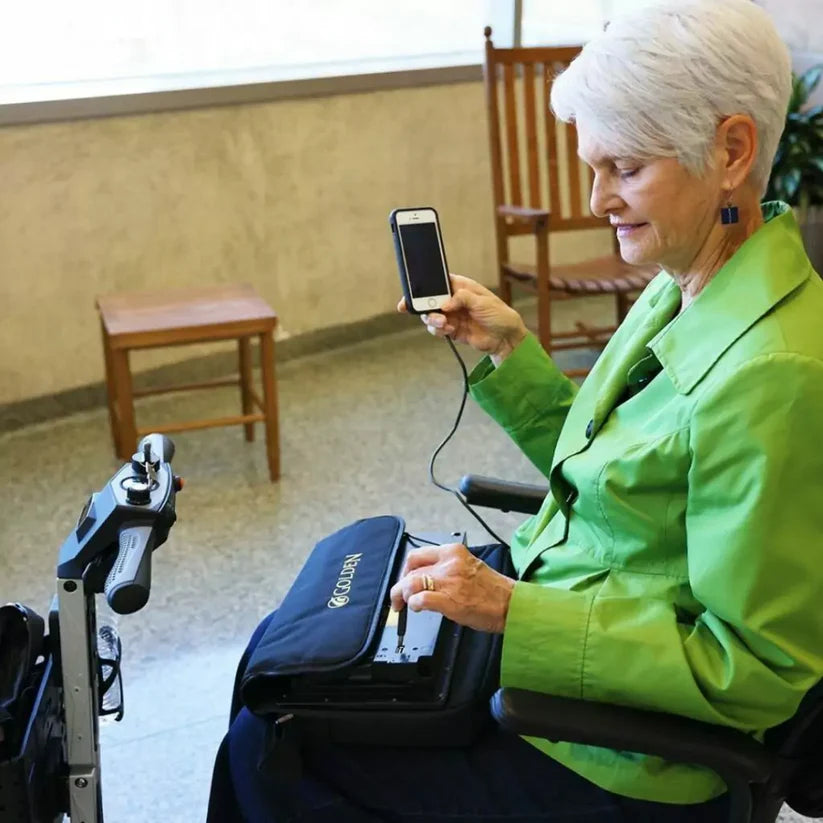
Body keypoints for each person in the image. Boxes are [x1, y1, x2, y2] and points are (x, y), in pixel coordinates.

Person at [207, 1, 823, 820]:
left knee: (272, 742)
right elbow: (625, 483)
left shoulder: (774, 372)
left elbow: (751, 672)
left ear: (731, 150)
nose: (597, 198)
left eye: (626, 169)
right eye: (592, 165)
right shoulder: (688, 285)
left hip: (620, 753)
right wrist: (509, 353)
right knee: (278, 667)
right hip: (562, 638)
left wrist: (508, 610)